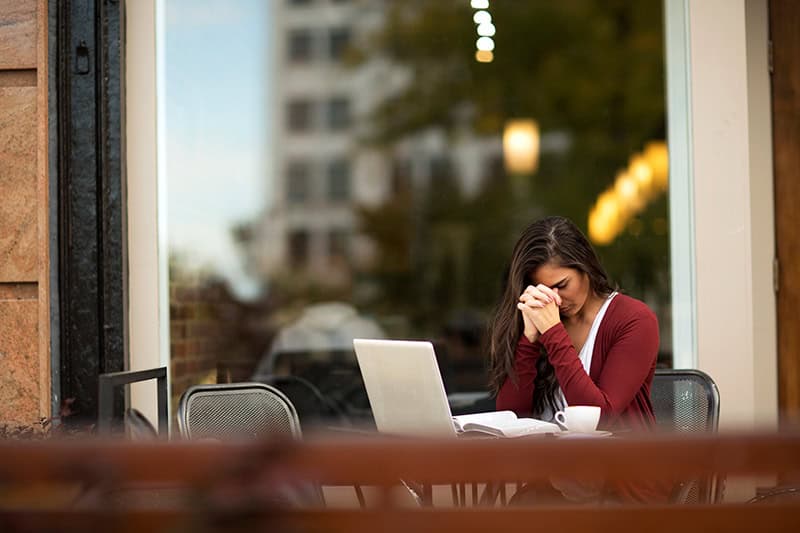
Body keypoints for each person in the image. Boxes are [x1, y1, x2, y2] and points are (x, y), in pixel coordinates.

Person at [487, 216, 666, 504]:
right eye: (545, 291)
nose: (555, 300)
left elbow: (600, 415)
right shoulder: (544, 319)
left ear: (586, 268)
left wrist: (553, 333)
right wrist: (529, 341)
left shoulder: (634, 320)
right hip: (552, 482)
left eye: (562, 285)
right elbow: (512, 415)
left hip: (620, 487)